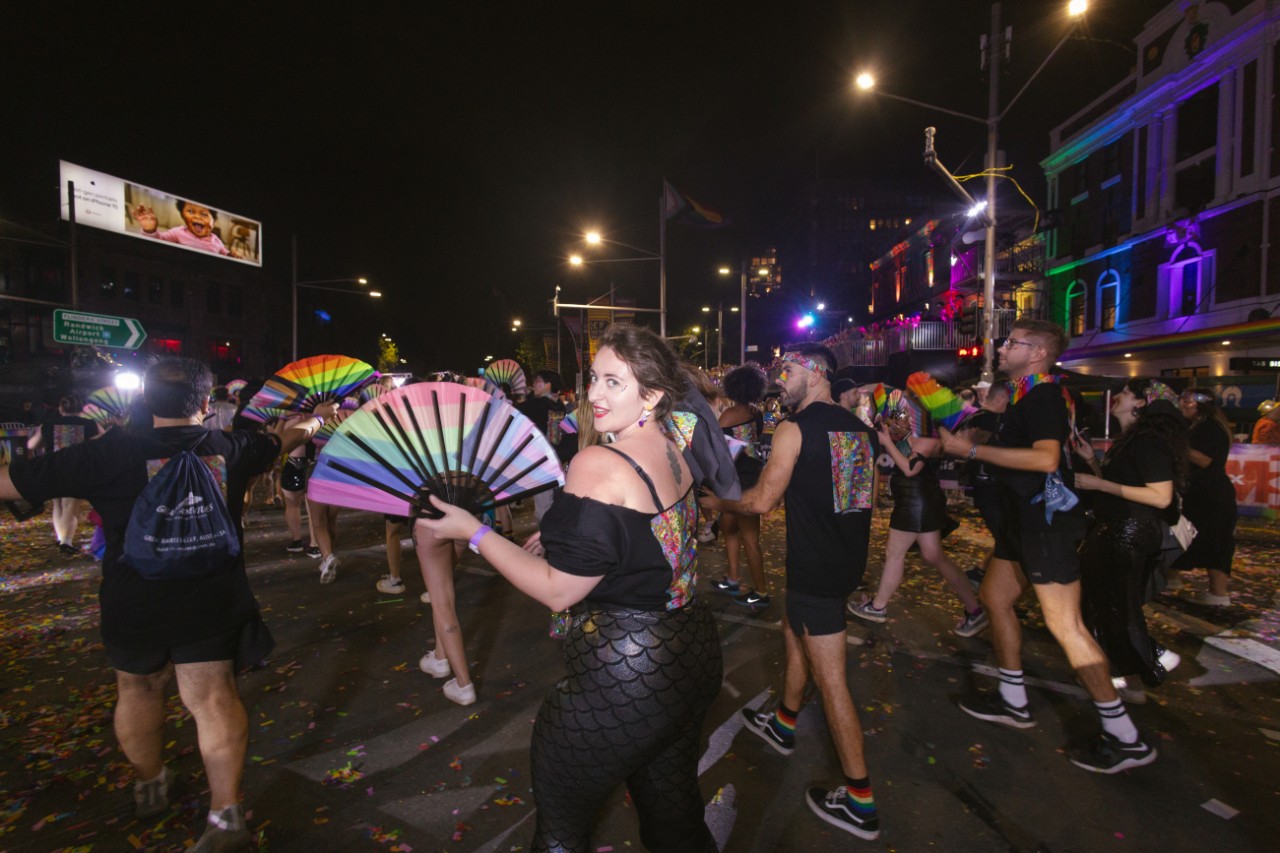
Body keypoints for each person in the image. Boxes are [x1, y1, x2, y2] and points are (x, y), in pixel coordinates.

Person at [1, 357, 335, 852]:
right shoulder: (232, 446)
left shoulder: (105, 454)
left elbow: (10, 485)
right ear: (205, 403)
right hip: (210, 595)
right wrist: (314, 418)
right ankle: (225, 817)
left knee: (137, 690)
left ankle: (150, 781)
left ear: (141, 401)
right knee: (212, 695)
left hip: (134, 598)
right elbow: (290, 436)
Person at [417, 324, 722, 851]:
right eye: (594, 379)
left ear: (651, 395)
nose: (595, 396)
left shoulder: (598, 462)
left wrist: (475, 531)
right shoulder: (673, 444)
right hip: (689, 653)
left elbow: (559, 592)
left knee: (561, 833)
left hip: (624, 675)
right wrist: (563, 536)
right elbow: (648, 534)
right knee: (673, 816)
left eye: (614, 383)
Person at [938, 319, 1157, 774]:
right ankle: (1013, 698)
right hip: (1025, 523)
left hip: (1047, 526)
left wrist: (972, 452)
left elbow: (1046, 458)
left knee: (1067, 628)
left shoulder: (1043, 396)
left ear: (1036, 353)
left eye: (1011, 343)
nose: (1000, 348)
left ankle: (1125, 736)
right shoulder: (1025, 396)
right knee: (994, 599)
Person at [699, 343, 882, 841]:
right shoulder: (861, 431)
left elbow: (761, 501)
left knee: (833, 680)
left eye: (788, 369)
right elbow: (856, 497)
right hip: (846, 563)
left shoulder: (794, 429)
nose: (780, 377)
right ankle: (783, 722)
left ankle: (861, 801)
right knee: (792, 626)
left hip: (816, 568)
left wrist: (715, 501)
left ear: (817, 373)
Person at [1074, 387, 1188, 696]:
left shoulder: (1149, 444)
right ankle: (1116, 667)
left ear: (1141, 404)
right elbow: (1121, 484)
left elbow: (1161, 497)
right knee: (1099, 601)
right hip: (1115, 527)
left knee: (1118, 605)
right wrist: (1093, 462)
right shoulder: (1130, 443)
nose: (1118, 394)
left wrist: (1098, 482)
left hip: (1130, 531)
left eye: (1126, 392)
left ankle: (1149, 662)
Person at [848, 404, 987, 637]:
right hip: (918, 501)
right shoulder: (916, 435)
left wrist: (888, 442)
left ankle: (878, 606)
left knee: (894, 553)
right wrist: (888, 431)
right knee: (934, 556)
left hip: (916, 503)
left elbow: (910, 469)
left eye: (909, 412)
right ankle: (974, 610)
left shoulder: (928, 439)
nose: (905, 415)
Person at [1170, 389, 1237, 605]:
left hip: (1212, 495)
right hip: (1199, 493)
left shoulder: (1211, 428)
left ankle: (1219, 594)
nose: (1183, 405)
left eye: (1188, 402)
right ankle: (1172, 578)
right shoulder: (1195, 426)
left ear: (1201, 405)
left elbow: (1204, 460)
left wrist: (1174, 442)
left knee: (1215, 542)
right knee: (1187, 537)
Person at [714, 364, 770, 608]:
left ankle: (762, 591)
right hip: (748, 475)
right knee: (728, 528)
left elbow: (719, 452)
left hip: (739, 481)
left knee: (749, 538)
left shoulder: (728, 416)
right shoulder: (756, 412)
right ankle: (733, 578)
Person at [27, 394, 100, 554]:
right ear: (81, 408)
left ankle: (62, 539)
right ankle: (66, 541)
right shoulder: (89, 424)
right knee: (71, 505)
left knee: (57, 504)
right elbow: (101, 442)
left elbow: (31, 445)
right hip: (77, 468)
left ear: (61, 408)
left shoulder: (48, 425)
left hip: (52, 466)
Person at [518, 369, 568, 522]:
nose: (534, 385)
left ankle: (547, 540)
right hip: (559, 459)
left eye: (538, 381)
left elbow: (513, 412)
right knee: (556, 502)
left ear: (548, 385)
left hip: (541, 462)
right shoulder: (560, 405)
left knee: (543, 507)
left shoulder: (536, 404)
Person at [133, 199, 230, 256]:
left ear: (214, 221)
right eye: (191, 211)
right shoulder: (178, 232)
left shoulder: (216, 240)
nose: (197, 217)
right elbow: (159, 239)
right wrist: (150, 230)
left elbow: (224, 253)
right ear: (183, 216)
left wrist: (231, 255)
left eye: (204, 214)